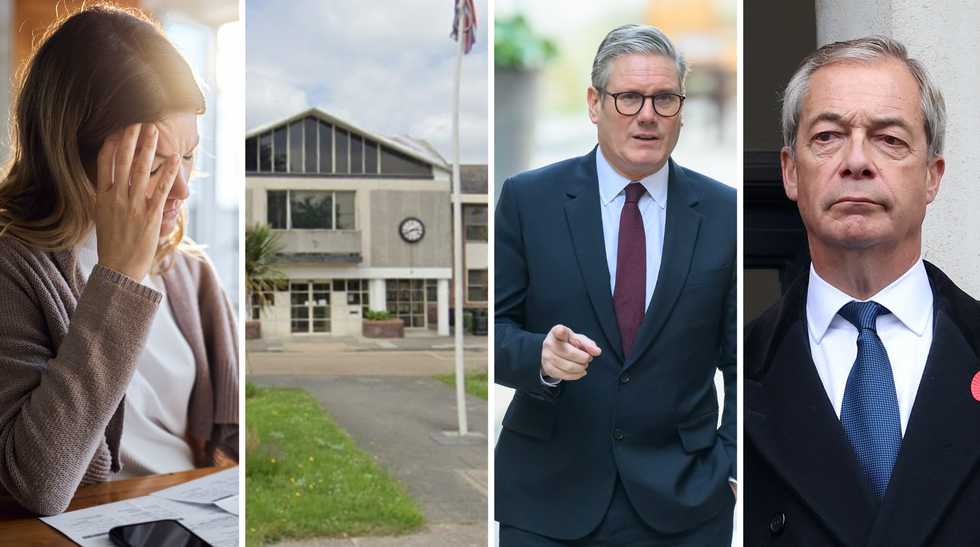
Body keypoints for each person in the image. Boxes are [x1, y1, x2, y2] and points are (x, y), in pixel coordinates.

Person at [495, 24, 736, 546]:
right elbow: (485, 333)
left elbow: (747, 362)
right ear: (593, 103)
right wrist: (539, 356)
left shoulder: (725, 213)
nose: (647, 115)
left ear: (681, 107)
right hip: (546, 499)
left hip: (686, 504)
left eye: (664, 98)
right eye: (629, 97)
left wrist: (732, 466)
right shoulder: (526, 201)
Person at [0, 4, 238, 515]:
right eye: (152, 165)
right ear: (68, 156)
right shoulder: (13, 267)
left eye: (190, 157)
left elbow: (234, 442)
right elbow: (38, 483)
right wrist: (121, 277)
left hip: (193, 518)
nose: (179, 191)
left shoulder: (189, 271)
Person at [744, 36, 980, 545]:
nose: (856, 161)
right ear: (790, 171)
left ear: (932, 178)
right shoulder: (728, 375)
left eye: (890, 139)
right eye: (828, 135)